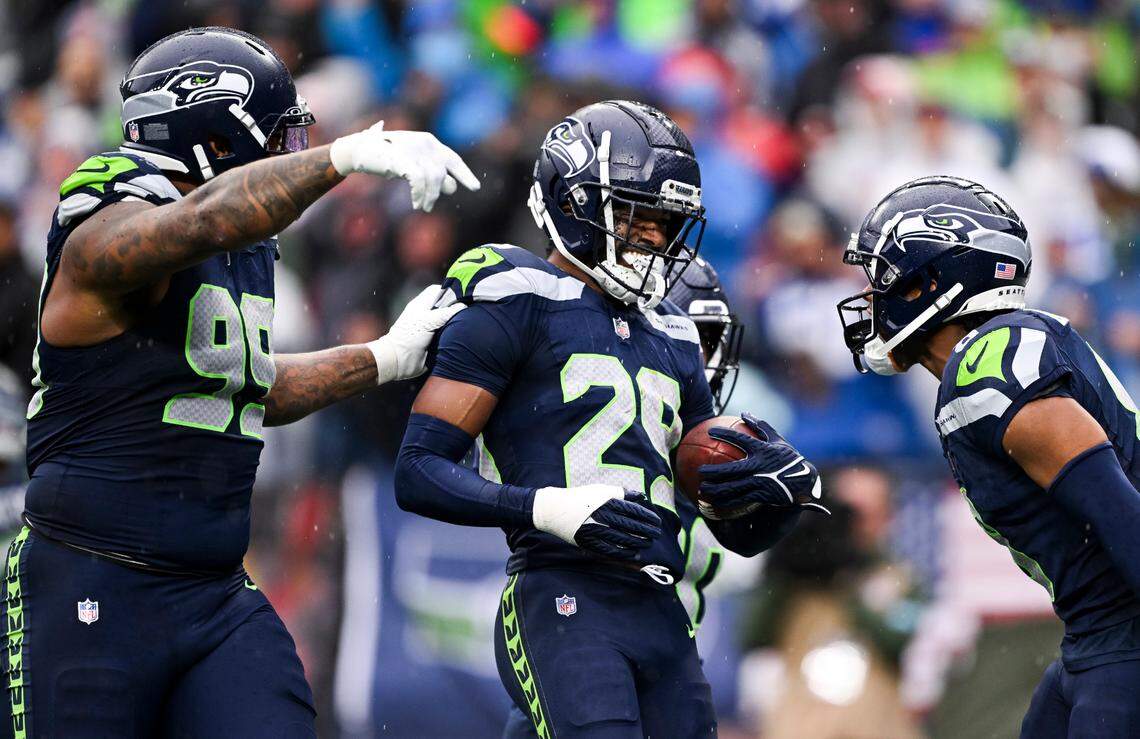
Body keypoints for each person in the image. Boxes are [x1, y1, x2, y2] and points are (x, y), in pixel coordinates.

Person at [12, 26, 477, 738]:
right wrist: (344, 156)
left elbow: (245, 388)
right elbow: (198, 221)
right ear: (215, 137)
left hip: (212, 590)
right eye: (276, 134)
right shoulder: (109, 215)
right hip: (91, 574)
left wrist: (383, 356)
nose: (292, 150)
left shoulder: (239, 241)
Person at [395, 100, 822, 737]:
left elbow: (716, 517)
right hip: (561, 592)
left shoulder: (675, 332)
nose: (653, 238)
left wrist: (771, 489)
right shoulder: (516, 296)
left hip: (660, 605)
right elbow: (418, 471)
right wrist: (543, 509)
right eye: (635, 216)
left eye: (665, 222)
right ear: (573, 203)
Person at [837, 175, 1140, 737]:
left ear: (931, 281)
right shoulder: (995, 353)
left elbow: (1121, 513)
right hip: (1094, 636)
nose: (872, 301)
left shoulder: (987, 363)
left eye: (885, 281)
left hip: (1122, 638)